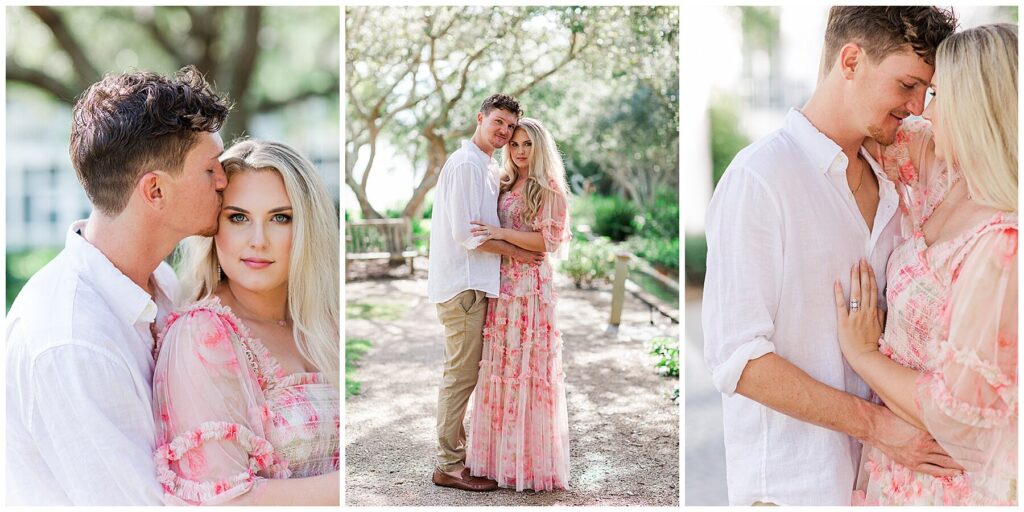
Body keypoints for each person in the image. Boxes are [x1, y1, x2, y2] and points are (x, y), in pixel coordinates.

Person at [702, 7, 960, 505]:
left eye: (926, 91)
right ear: (851, 61)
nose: (917, 107)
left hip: (882, 487)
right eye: (907, 85)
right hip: (792, 488)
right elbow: (737, 359)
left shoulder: (895, 182)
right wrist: (878, 427)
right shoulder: (760, 177)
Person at [6, 67, 229, 505]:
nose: (224, 180)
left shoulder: (160, 283)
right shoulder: (73, 342)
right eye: (210, 168)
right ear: (155, 191)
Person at [834, 23, 1017, 505]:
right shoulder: (944, 172)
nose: (924, 111)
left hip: (948, 487)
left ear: (977, 110)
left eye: (937, 96)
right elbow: (855, 121)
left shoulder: (1005, 242)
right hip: (894, 469)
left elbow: (961, 416)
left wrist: (863, 355)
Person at [151, 140, 340, 505]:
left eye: (281, 218)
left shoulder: (327, 322)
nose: (258, 240)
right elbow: (222, 502)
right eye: (238, 217)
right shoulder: (202, 335)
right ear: (213, 226)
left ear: (308, 227)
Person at [426, 94, 545, 492]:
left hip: (478, 286)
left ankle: (462, 456)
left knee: (468, 374)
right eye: (498, 122)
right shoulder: (465, 165)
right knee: (459, 376)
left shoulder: (487, 166)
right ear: (480, 118)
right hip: (463, 286)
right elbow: (465, 234)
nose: (504, 132)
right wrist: (517, 253)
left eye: (510, 126)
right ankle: (448, 465)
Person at [465, 117, 572, 491]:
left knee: (528, 371)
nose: (520, 150)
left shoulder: (550, 189)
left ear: (540, 148)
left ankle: (529, 464)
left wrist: (500, 232)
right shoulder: (504, 183)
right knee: (501, 370)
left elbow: (547, 242)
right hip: (502, 289)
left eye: (527, 144)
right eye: (515, 144)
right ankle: (497, 460)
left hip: (530, 293)